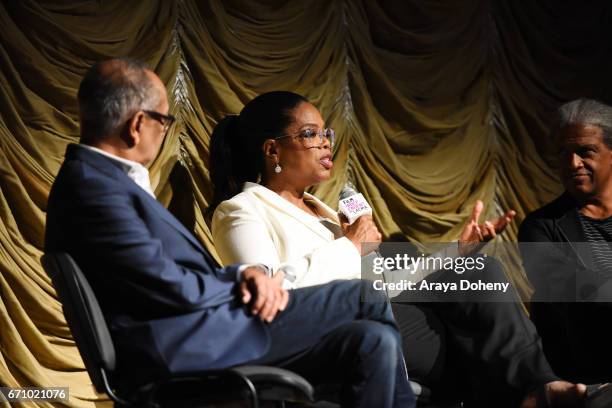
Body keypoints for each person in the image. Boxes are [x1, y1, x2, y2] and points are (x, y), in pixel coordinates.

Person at [44, 58, 416, 408]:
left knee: (372, 339)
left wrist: (242, 275)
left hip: (196, 333)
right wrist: (243, 279)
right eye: (164, 121)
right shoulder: (95, 189)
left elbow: (157, 275)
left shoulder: (97, 182)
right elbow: (168, 284)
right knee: (364, 296)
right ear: (138, 124)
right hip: (182, 345)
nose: (163, 132)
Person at [209, 91, 592, 408]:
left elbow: (384, 283)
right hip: (334, 332)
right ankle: (525, 394)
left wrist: (458, 252)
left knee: (479, 274)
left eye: (326, 132)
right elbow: (269, 296)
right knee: (466, 332)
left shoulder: (325, 213)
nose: (326, 141)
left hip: (378, 306)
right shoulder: (241, 211)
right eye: (310, 134)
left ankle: (538, 385)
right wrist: (351, 246)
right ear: (273, 151)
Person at [519, 98, 612, 385]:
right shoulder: (539, 227)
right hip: (585, 372)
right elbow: (565, 285)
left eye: (585, 151)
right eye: (564, 153)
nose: (573, 163)